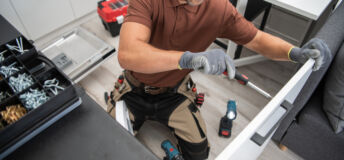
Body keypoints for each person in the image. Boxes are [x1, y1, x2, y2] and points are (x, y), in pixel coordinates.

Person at [106, 0, 330, 159]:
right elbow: (128, 54)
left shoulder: (220, 8)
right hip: (134, 89)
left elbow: (258, 40)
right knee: (110, 146)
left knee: (199, 154)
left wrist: (293, 53)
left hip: (174, 92)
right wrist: (186, 59)